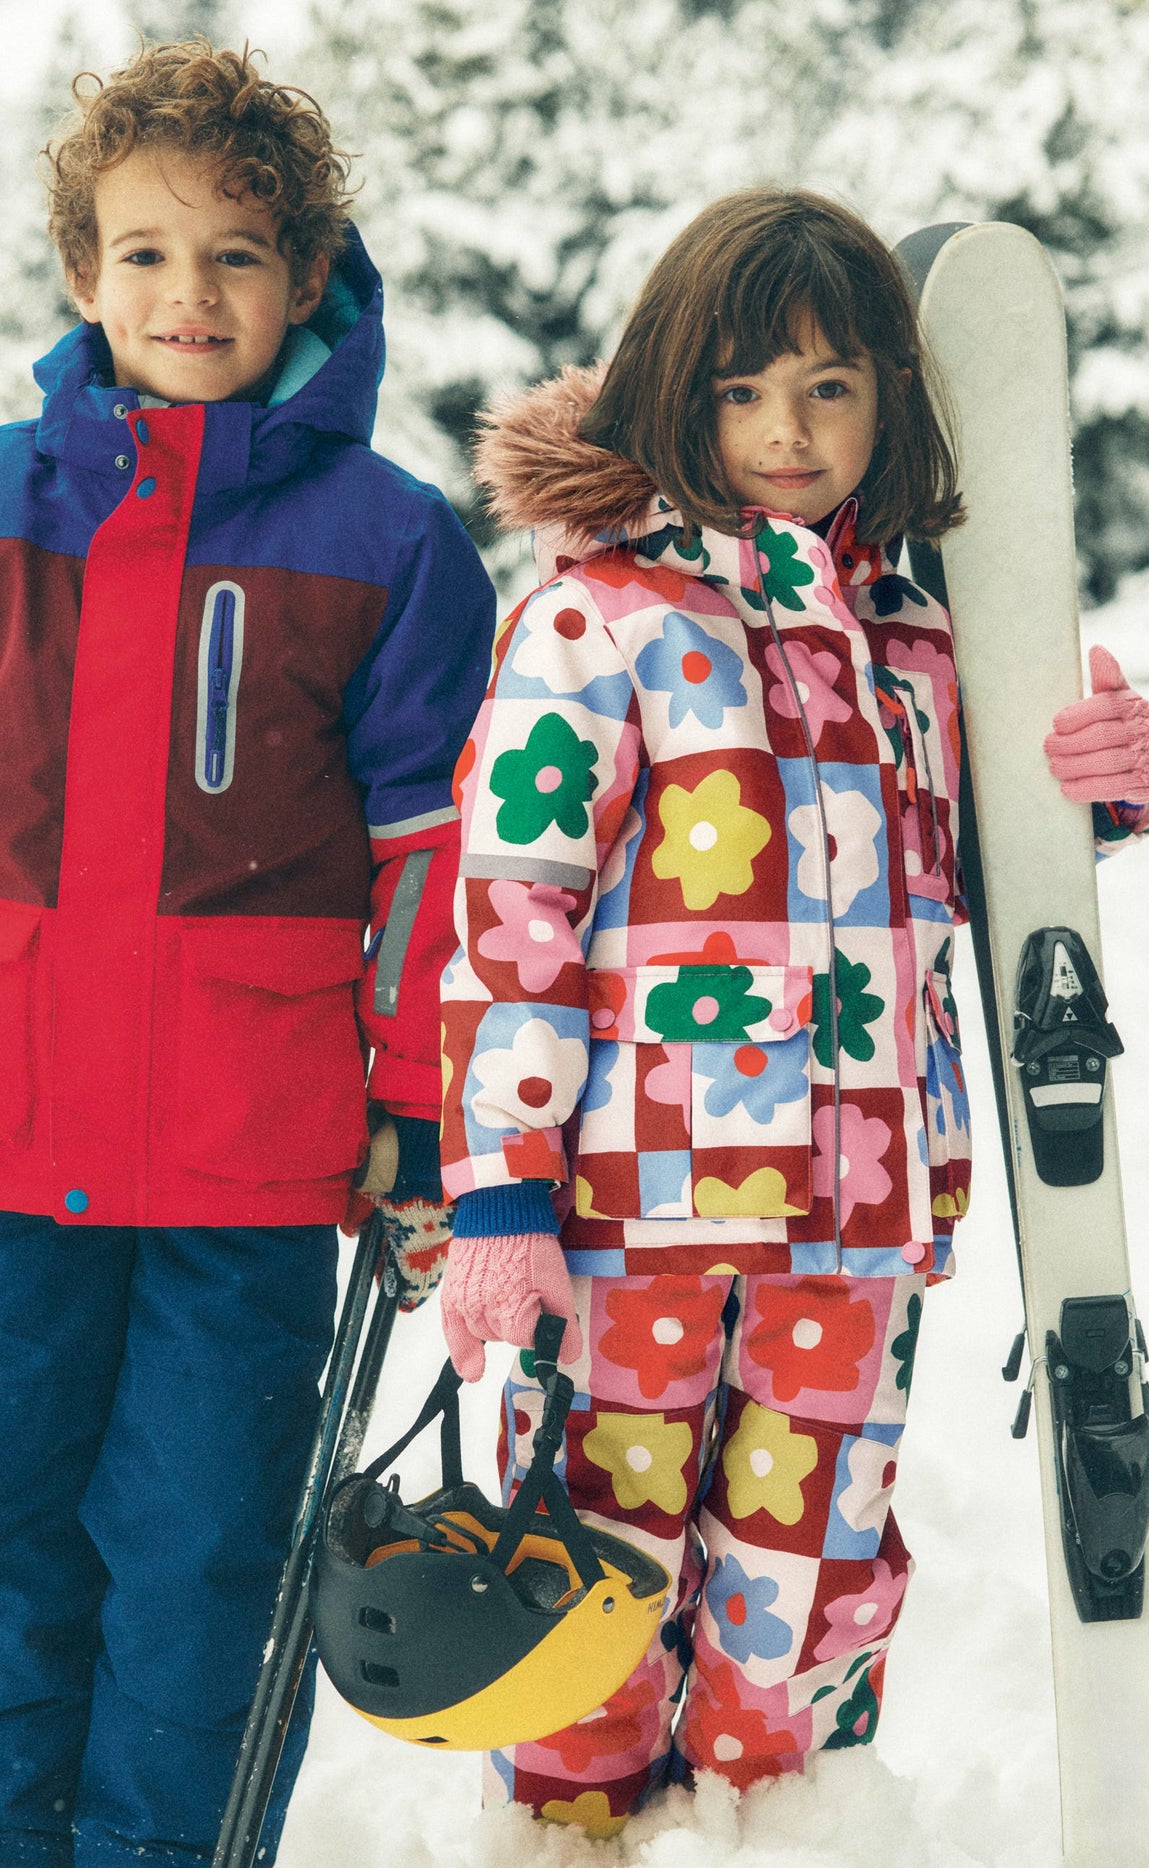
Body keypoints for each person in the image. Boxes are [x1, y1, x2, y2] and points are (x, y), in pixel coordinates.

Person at [437, 189, 1149, 1837]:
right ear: (671, 391)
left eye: (830, 388)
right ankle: (573, 1837)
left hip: (858, 1220)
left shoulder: (918, 640)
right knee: (594, 1572)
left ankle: (771, 1832)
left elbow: (986, 865)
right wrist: (498, 1190)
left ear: (887, 403)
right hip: (626, 1220)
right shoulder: (598, 620)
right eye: (742, 389)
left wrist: (1093, 794)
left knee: (810, 1580)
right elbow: (512, 918)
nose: (787, 432)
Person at [0, 39, 493, 1868]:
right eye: (144, 251)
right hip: (12, 1141)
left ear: (304, 280)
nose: (187, 293)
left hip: (250, 1162)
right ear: (81, 273)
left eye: (234, 254)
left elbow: (434, 862)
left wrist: (419, 1104)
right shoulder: (5, 506)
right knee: (10, 1539)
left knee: (204, 1557)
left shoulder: (390, 544)